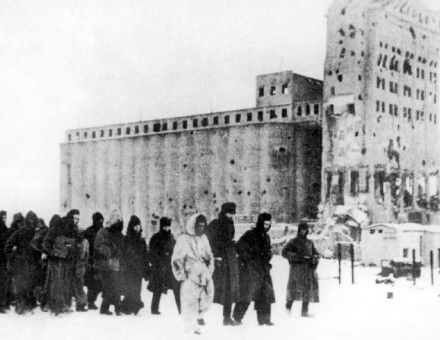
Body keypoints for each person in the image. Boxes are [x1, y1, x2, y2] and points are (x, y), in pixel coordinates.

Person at [172, 214, 214, 335]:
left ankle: (199, 317)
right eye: (199, 226)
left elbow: (209, 255)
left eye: (203, 226)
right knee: (189, 303)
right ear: (193, 226)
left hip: (204, 275)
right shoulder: (183, 239)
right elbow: (177, 259)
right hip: (190, 276)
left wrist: (209, 269)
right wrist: (181, 275)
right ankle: (190, 329)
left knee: (208, 297)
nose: (201, 228)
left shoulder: (204, 238)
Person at [233, 213, 275, 326]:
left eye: (268, 224)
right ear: (260, 223)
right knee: (247, 294)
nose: (266, 226)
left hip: (263, 269)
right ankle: (237, 318)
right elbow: (239, 247)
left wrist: (269, 254)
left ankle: (264, 319)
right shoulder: (250, 234)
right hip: (250, 269)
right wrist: (248, 259)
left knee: (265, 294)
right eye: (265, 224)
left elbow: (268, 251)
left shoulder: (266, 237)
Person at [206, 202, 240, 325]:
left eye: (233, 213)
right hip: (220, 260)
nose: (231, 215)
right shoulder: (215, 224)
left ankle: (227, 317)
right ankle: (198, 315)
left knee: (230, 289)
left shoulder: (231, 224)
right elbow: (209, 240)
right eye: (229, 213)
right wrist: (216, 255)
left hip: (230, 260)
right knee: (214, 288)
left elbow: (229, 240)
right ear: (224, 212)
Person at [43, 210, 80, 315]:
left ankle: (63, 305)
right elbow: (46, 242)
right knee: (57, 283)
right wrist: (53, 253)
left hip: (68, 261)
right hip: (57, 261)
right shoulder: (58, 227)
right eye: (75, 218)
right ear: (70, 217)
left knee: (66, 284)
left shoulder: (74, 229)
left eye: (78, 219)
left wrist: (73, 249)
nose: (76, 221)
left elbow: (76, 244)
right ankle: (55, 307)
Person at [5, 211, 41, 314]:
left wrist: (15, 254)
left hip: (24, 264)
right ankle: (27, 307)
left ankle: (22, 307)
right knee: (27, 286)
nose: (32, 223)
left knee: (23, 286)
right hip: (29, 264)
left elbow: (7, 248)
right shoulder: (35, 234)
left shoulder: (19, 233)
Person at [282, 222, 319, 317]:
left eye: (305, 229)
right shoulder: (293, 241)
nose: (304, 231)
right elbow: (284, 252)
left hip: (308, 269)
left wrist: (315, 258)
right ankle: (288, 308)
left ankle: (304, 311)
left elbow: (315, 253)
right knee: (294, 289)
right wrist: (297, 257)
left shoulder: (309, 243)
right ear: (299, 230)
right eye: (302, 229)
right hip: (297, 269)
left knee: (307, 289)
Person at [148, 217, 180, 315]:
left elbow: (176, 250)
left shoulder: (171, 237)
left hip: (170, 266)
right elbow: (152, 252)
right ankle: (154, 309)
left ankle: (181, 309)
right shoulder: (156, 237)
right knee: (158, 288)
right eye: (165, 226)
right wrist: (158, 262)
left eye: (168, 226)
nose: (166, 228)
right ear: (161, 226)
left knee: (176, 287)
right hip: (159, 266)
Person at [94, 210, 124, 315]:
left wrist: (119, 252)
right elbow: (99, 246)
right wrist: (111, 251)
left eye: (119, 218)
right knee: (109, 286)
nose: (118, 220)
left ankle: (111, 307)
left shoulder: (119, 234)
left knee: (115, 286)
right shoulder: (103, 232)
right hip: (105, 264)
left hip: (115, 263)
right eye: (116, 218)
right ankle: (112, 308)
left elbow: (121, 247)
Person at [120, 215, 149, 315]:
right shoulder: (126, 240)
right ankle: (129, 308)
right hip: (129, 269)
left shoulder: (142, 241)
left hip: (139, 270)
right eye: (135, 226)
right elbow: (124, 254)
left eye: (139, 226)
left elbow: (145, 256)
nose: (137, 228)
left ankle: (134, 307)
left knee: (137, 289)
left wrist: (146, 269)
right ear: (131, 227)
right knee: (129, 289)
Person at [84, 212, 104, 310]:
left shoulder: (104, 231)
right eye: (99, 220)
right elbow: (85, 245)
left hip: (101, 260)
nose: (101, 222)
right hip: (91, 260)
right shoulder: (89, 231)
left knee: (100, 283)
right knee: (92, 283)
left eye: (102, 220)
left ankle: (91, 300)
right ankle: (90, 302)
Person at [30, 218, 49, 311]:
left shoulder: (40, 232)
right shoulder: (47, 230)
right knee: (44, 280)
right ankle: (43, 301)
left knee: (40, 280)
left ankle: (42, 301)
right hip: (45, 259)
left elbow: (33, 243)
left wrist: (40, 250)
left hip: (40, 260)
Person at [72, 225, 89, 312]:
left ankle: (80, 304)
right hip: (80, 266)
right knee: (79, 286)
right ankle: (80, 304)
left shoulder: (75, 242)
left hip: (77, 266)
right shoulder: (85, 242)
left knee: (78, 286)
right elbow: (87, 255)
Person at [0, 211, 8, 313]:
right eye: (3, 217)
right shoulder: (3, 228)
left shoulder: (4, 228)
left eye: (5, 217)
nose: (4, 218)